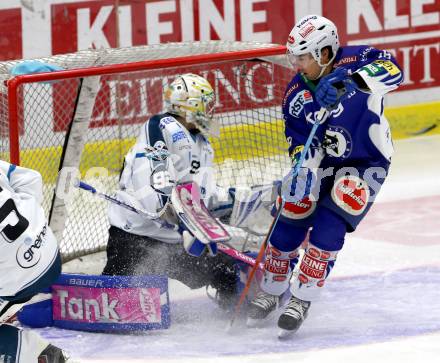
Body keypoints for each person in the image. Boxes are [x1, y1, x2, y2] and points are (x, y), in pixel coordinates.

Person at [246, 14, 403, 337]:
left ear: (326, 53)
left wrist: (349, 81)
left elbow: (394, 70)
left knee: (330, 227)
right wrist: (302, 167)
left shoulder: (358, 58)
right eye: (295, 57)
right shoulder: (295, 94)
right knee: (292, 212)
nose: (297, 64)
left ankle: (302, 298)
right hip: (324, 163)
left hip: (367, 162)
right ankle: (273, 288)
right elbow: (298, 138)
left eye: (303, 57)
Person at [102, 73, 242, 309]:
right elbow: (155, 174)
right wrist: (167, 206)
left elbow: (201, 196)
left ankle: (237, 308)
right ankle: (98, 297)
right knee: (116, 299)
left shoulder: (203, 145)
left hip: (174, 239)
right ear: (190, 105)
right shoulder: (160, 126)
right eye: (206, 104)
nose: (210, 110)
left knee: (225, 267)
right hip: (135, 235)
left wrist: (234, 202)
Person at [0, 161, 67, 361]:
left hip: (20, 278)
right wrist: (30, 229)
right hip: (48, 250)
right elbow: (31, 178)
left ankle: (34, 354)